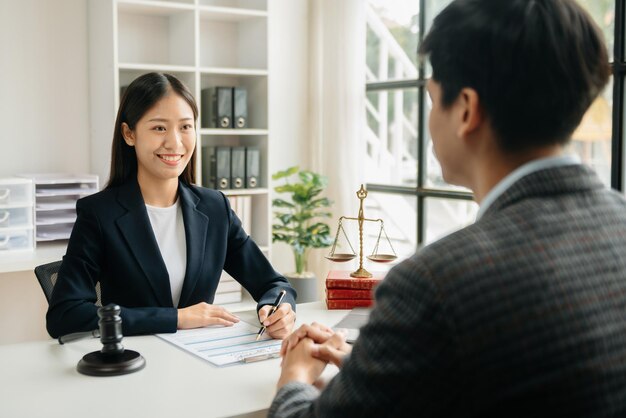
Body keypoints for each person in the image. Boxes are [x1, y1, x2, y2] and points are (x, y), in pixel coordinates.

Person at [269, 0, 626, 416]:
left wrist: (293, 377)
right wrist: (367, 371)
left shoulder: (434, 283)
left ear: (466, 110)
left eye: (433, 100)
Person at [46, 72, 296, 339]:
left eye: (185, 127)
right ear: (129, 134)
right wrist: (176, 318)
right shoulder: (99, 214)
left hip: (198, 361)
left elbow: (274, 283)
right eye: (159, 128)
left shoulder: (215, 208)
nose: (175, 142)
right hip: (133, 363)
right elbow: (65, 315)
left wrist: (279, 308)